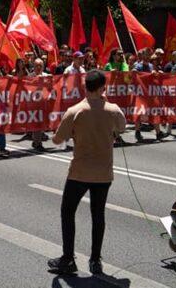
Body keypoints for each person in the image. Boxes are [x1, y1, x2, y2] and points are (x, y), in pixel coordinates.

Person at [48, 70, 126, 275]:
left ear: (85, 87)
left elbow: (58, 139)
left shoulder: (75, 111)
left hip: (79, 173)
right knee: (98, 215)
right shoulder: (113, 109)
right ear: (102, 88)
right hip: (103, 173)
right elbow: (123, 127)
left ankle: (68, 259)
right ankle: (95, 260)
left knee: (68, 212)